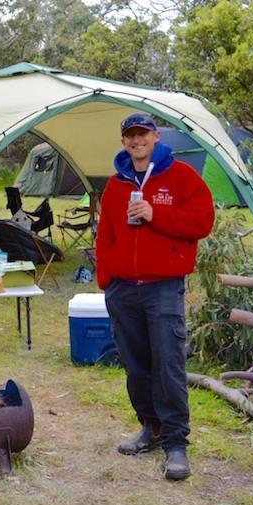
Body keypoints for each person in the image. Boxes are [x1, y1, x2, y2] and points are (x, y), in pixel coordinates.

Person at [96, 112, 214, 481]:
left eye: (143, 134)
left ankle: (176, 443)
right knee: (136, 366)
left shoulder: (181, 177)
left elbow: (202, 222)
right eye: (130, 136)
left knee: (169, 365)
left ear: (156, 136)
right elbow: (106, 235)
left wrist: (154, 212)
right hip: (124, 291)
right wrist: (107, 280)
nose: (136, 141)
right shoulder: (116, 185)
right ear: (123, 142)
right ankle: (151, 428)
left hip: (163, 288)